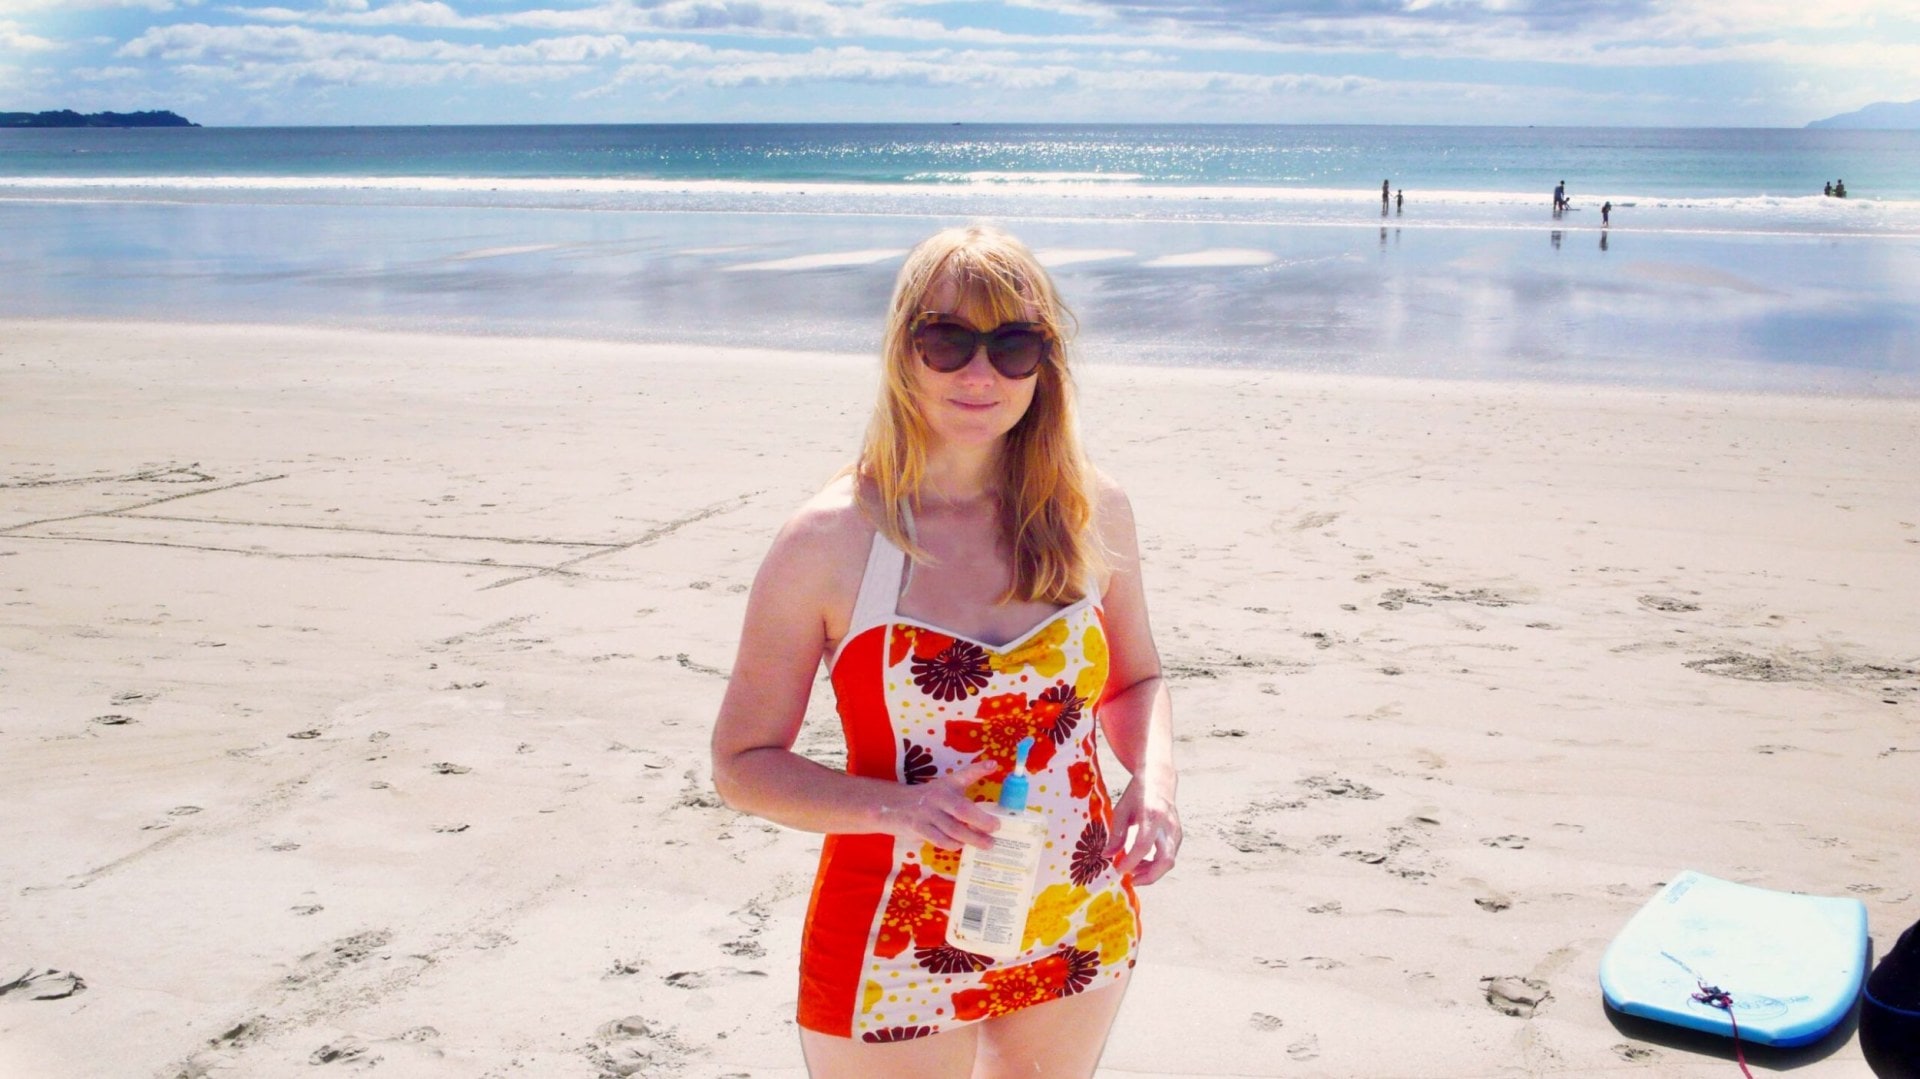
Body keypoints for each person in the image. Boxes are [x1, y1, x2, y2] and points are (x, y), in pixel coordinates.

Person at [711, 224, 1181, 1078]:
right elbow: (741, 763)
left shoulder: (1090, 510)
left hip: (1073, 906)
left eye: (1013, 346)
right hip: (894, 933)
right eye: (948, 340)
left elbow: (1136, 680)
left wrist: (1155, 785)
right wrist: (905, 809)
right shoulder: (829, 540)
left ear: (1046, 364)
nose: (980, 373)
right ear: (903, 349)